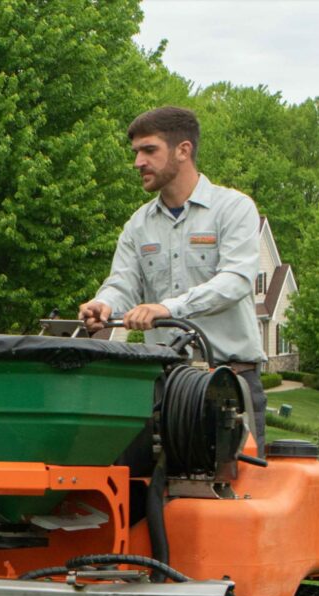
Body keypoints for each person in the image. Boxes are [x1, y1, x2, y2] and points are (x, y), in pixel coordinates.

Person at [78, 106, 268, 455]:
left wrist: (167, 308)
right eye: (135, 152)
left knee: (237, 494)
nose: (138, 161)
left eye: (149, 150)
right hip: (164, 385)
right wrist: (104, 303)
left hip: (230, 384)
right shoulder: (138, 225)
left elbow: (236, 280)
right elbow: (122, 282)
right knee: (150, 492)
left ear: (183, 150)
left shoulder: (234, 208)